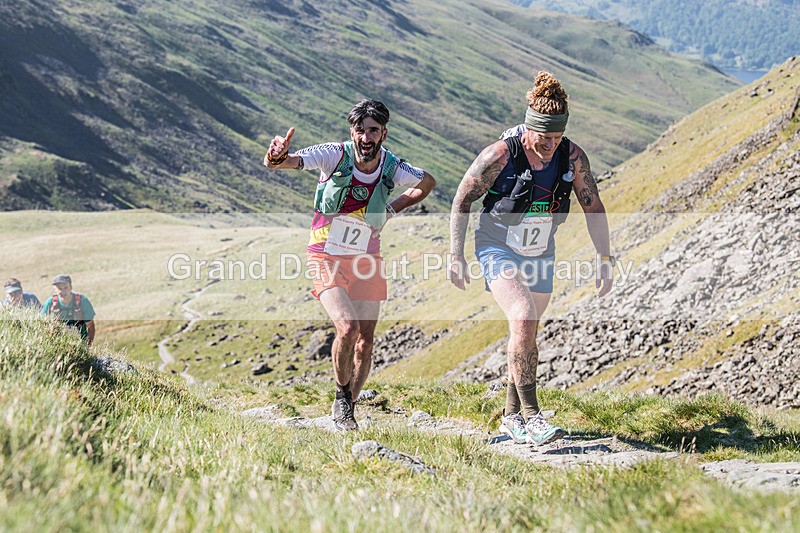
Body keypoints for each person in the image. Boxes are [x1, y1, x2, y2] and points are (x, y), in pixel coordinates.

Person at [449, 71, 613, 445]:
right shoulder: (499, 155)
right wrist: (455, 254)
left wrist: (605, 257)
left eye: (557, 137)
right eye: (544, 138)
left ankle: (510, 417)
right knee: (522, 318)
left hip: (541, 251)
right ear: (528, 129)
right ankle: (533, 415)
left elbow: (594, 208)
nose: (551, 145)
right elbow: (462, 199)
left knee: (525, 334)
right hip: (496, 244)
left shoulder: (572, 156)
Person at [263, 99, 436, 431]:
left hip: (366, 258)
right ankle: (343, 399)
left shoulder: (391, 165)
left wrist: (392, 209)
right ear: (352, 132)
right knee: (347, 327)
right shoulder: (334, 154)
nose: (366, 138)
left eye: (373, 131)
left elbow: (427, 182)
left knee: (366, 340)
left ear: (383, 133)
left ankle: (347, 407)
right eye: (360, 131)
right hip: (325, 254)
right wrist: (277, 154)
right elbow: (283, 163)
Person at [41, 274, 96, 345]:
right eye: (59, 288)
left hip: (80, 345)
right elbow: (42, 326)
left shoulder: (82, 301)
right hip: (57, 345)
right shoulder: (50, 303)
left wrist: (87, 347)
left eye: (65, 288)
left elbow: (91, 327)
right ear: (55, 289)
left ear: (71, 287)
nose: (63, 291)